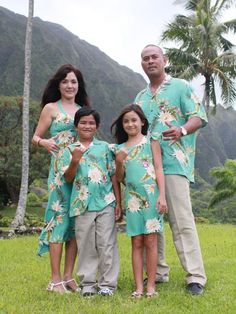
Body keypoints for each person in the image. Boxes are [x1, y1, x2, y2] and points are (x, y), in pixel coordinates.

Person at [134, 44, 207, 295]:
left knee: (181, 220)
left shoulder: (181, 87)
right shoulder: (140, 98)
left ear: (164, 60)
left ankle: (195, 277)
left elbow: (199, 116)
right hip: (145, 167)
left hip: (175, 163)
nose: (150, 61)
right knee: (151, 222)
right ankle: (158, 272)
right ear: (141, 64)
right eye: (145, 58)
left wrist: (182, 130)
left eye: (155, 57)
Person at [32, 64, 90, 294]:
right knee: (59, 219)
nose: (69, 85)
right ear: (59, 84)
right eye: (65, 81)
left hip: (79, 169)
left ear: (79, 85)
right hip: (58, 170)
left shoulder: (83, 109)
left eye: (74, 81)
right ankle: (55, 279)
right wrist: (44, 142)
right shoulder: (50, 108)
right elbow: (36, 136)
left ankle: (68, 276)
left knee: (75, 222)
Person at [58, 107, 121, 297]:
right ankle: (88, 284)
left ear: (97, 126)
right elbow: (68, 178)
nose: (87, 126)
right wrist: (75, 161)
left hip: (106, 202)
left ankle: (107, 284)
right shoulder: (68, 150)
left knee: (106, 243)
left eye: (91, 123)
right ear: (76, 126)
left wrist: (118, 202)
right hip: (81, 203)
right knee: (85, 244)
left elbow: (113, 177)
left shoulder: (105, 148)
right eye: (83, 122)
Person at [111, 104, 167, 298]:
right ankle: (138, 287)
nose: (130, 124)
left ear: (142, 122)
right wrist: (119, 161)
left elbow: (159, 168)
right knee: (136, 242)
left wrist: (162, 196)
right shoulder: (119, 149)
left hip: (152, 197)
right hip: (132, 200)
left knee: (151, 241)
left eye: (134, 120)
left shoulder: (151, 141)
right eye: (126, 121)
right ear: (122, 125)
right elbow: (119, 178)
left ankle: (151, 286)